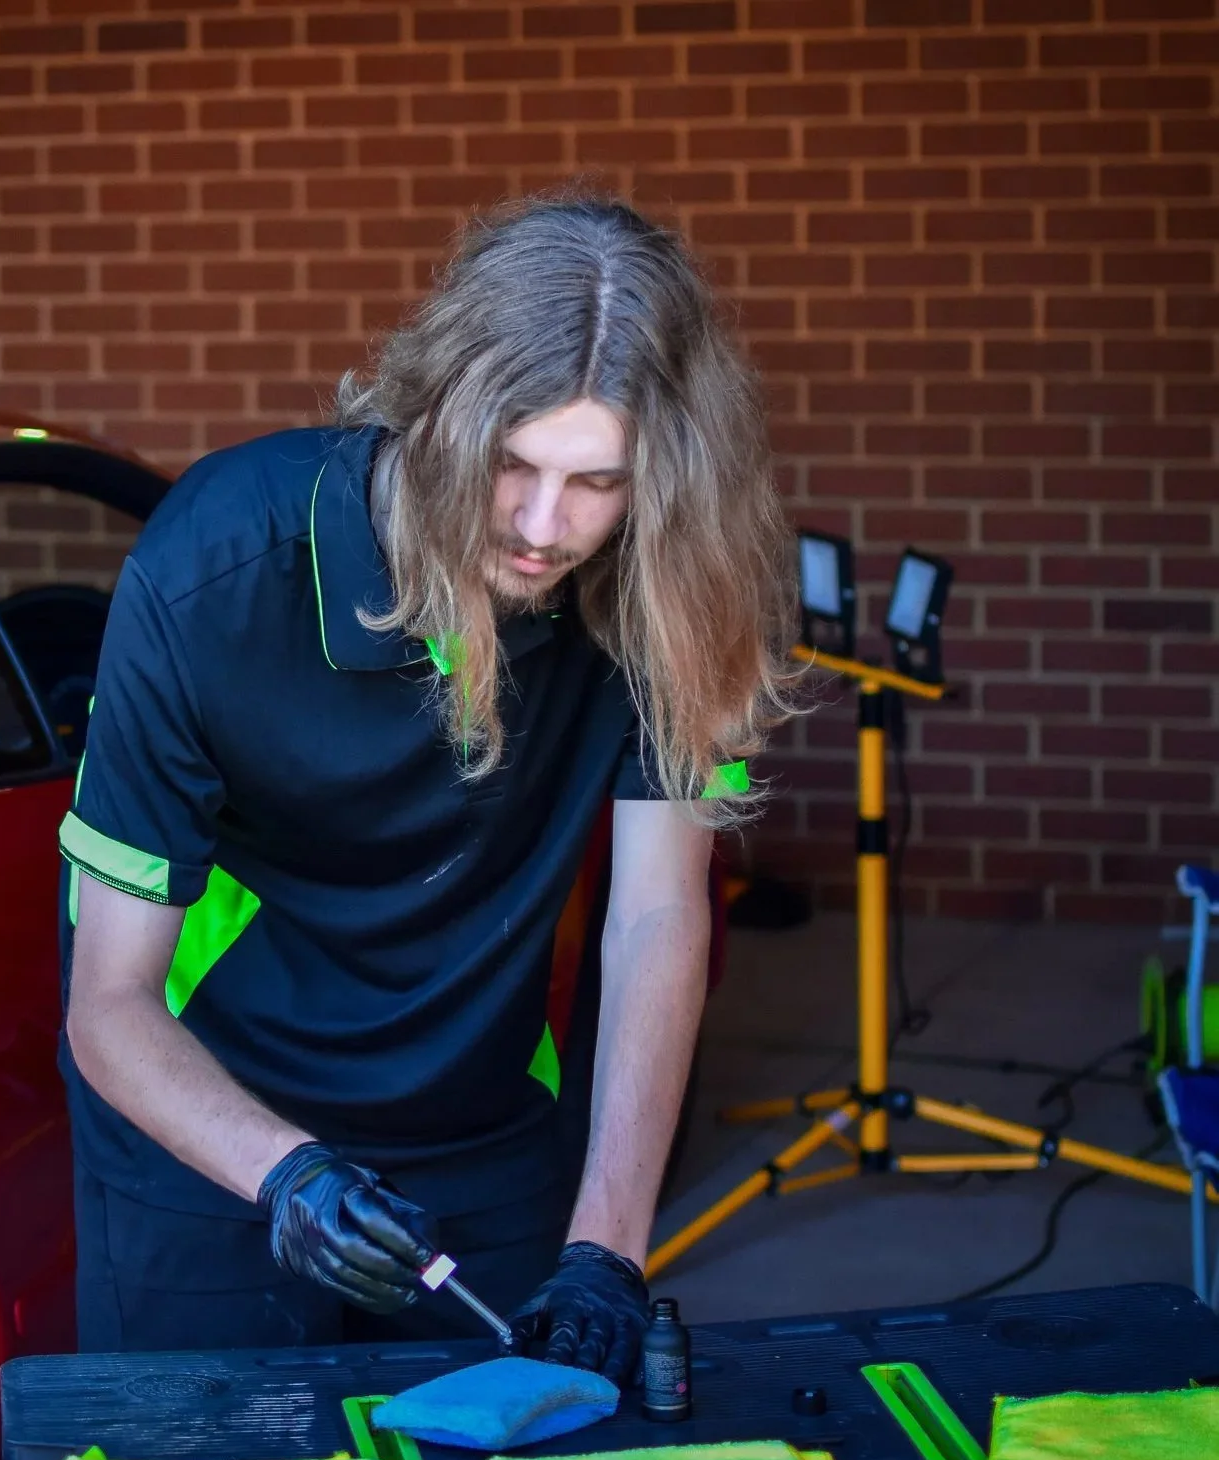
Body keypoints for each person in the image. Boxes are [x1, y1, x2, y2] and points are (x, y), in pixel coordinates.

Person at [56, 193, 797, 1382]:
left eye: (597, 481)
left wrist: (607, 1246)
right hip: (209, 1121)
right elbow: (107, 1004)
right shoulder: (213, 565)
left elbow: (660, 912)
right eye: (512, 464)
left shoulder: (677, 583)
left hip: (482, 1121)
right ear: (436, 407)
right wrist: (289, 1171)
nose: (546, 527)